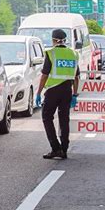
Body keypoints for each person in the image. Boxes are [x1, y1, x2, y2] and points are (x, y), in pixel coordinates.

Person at [36, 29, 79, 160]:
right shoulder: (73, 53)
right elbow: (77, 77)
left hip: (53, 90)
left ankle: (55, 148)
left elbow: (44, 75)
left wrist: (38, 93)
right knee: (64, 119)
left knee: (47, 117)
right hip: (67, 90)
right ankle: (64, 149)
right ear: (65, 40)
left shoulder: (51, 53)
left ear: (54, 40)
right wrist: (75, 94)